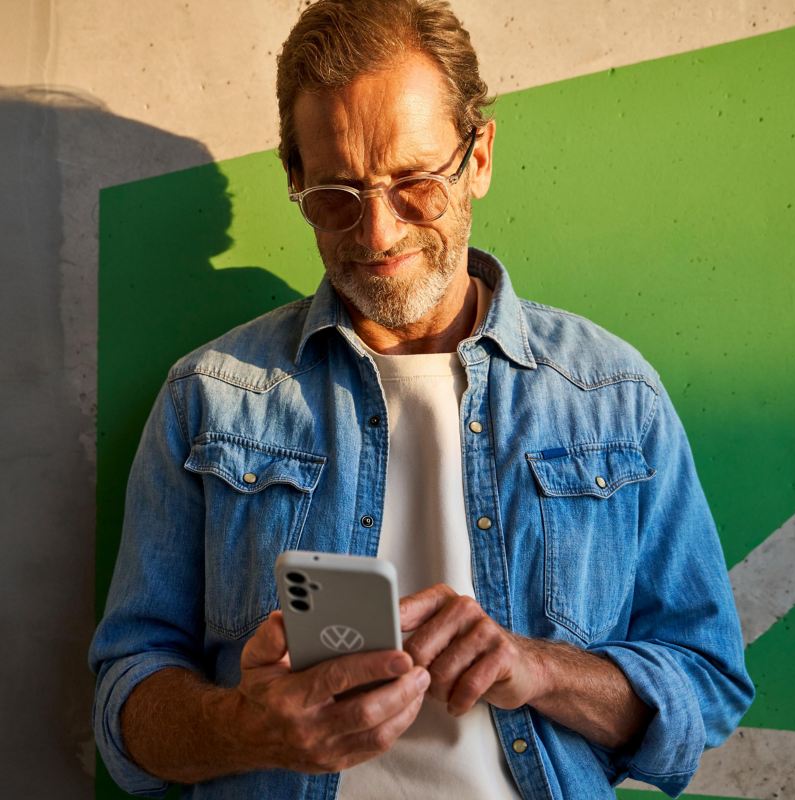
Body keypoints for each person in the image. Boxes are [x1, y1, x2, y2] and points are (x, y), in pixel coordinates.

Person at [89, 1, 754, 798]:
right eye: (336, 196)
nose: (377, 233)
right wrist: (250, 725)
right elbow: (125, 699)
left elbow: (706, 684)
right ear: (294, 181)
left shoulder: (612, 397)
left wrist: (537, 669)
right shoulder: (209, 399)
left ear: (479, 158)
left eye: (414, 184)